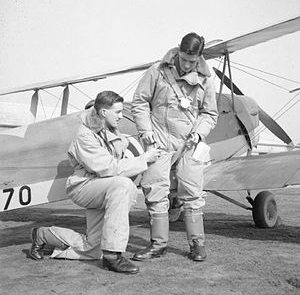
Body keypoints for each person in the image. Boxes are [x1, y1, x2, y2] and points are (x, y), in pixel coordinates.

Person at [29, 90, 161, 274]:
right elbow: (108, 167)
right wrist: (144, 160)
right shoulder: (85, 135)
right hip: (84, 186)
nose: (122, 116)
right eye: (118, 112)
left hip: (102, 188)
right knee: (123, 185)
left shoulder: (110, 130)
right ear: (103, 112)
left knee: (92, 249)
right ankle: (113, 255)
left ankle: (43, 235)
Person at [131, 32, 218, 262]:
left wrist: (199, 133)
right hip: (158, 139)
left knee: (192, 192)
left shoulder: (207, 79)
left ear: (199, 57)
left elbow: (210, 114)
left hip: (189, 142)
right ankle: (158, 245)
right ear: (178, 51)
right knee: (155, 189)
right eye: (183, 59)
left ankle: (197, 245)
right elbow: (139, 102)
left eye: (192, 61)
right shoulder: (157, 71)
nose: (187, 65)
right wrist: (145, 131)